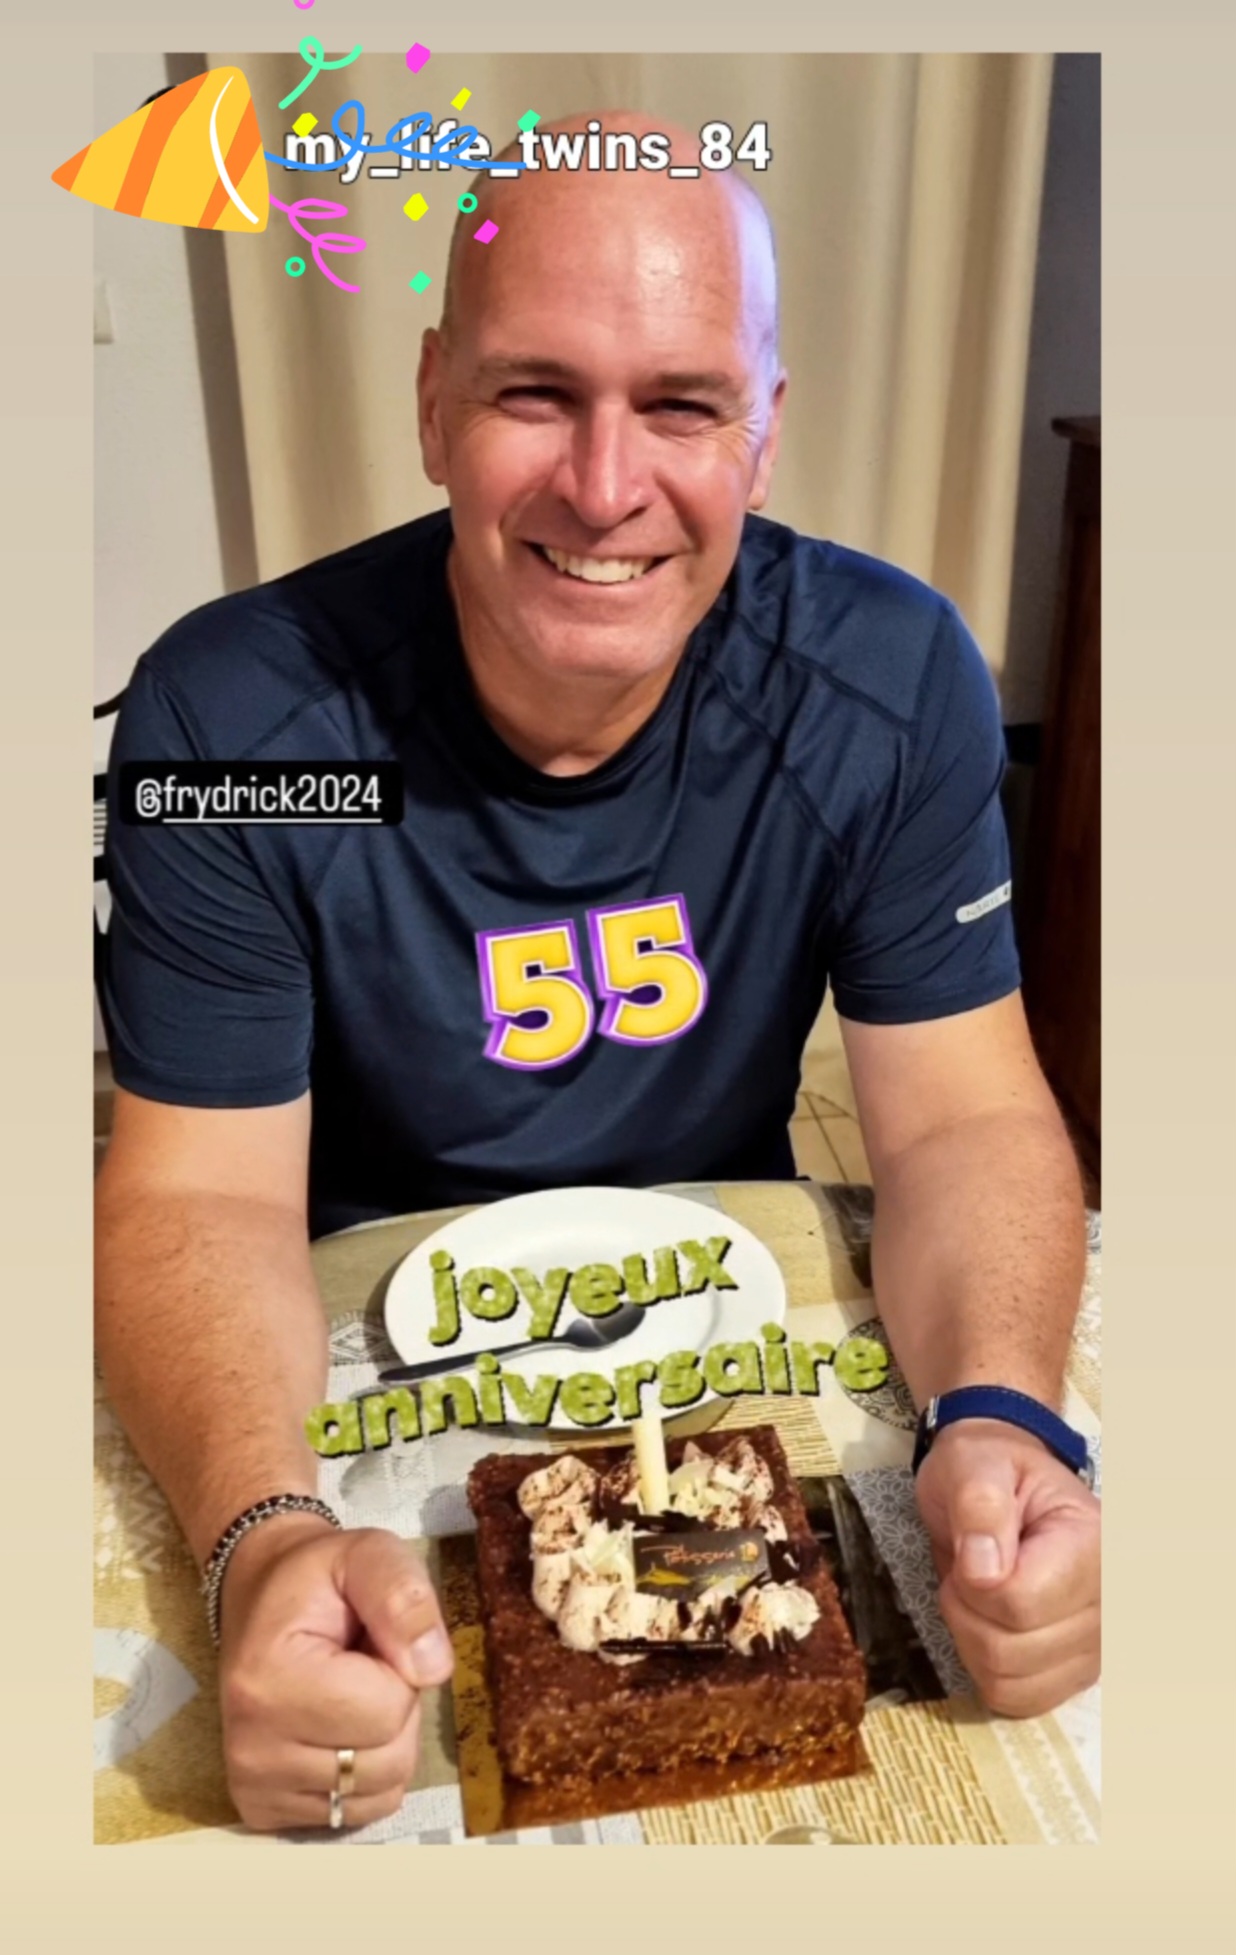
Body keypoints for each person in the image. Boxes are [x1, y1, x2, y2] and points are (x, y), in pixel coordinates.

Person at [95, 111, 1100, 1833]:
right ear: (434, 404)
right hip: (334, 1330)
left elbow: (962, 1120)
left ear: (764, 432)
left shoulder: (889, 681)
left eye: (684, 404)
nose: (605, 485)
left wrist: (1005, 1420)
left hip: (727, 1310)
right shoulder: (238, 725)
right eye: (535, 393)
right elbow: (196, 1194)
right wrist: (260, 1539)